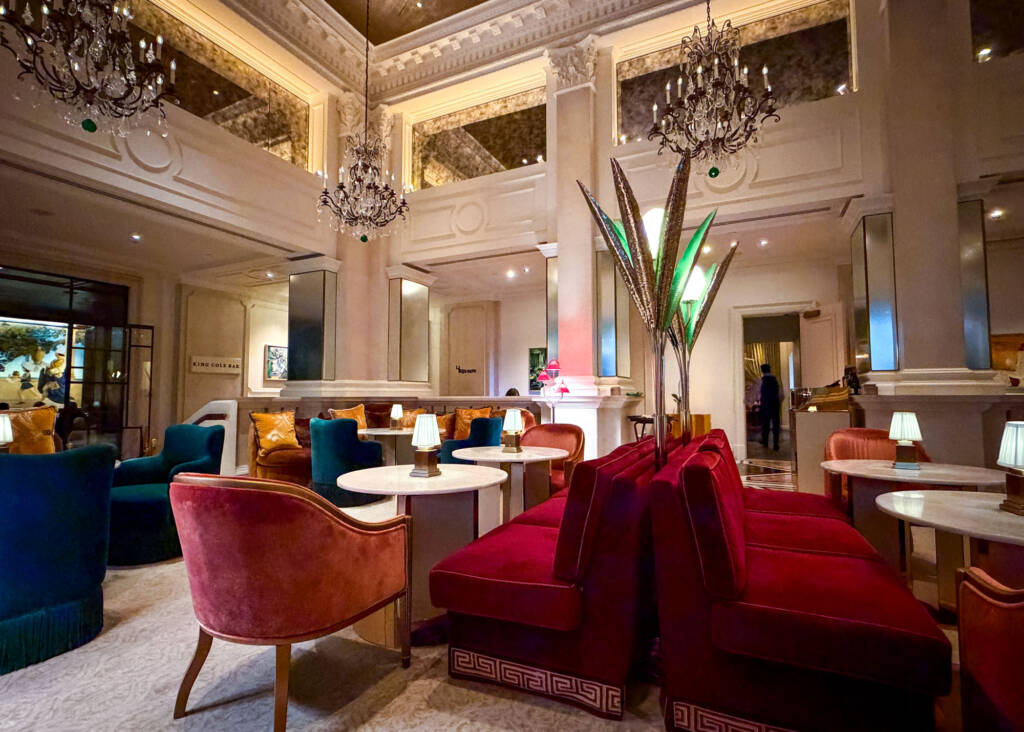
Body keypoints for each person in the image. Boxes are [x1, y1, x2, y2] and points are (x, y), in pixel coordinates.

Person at [758, 363, 782, 452]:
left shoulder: (761, 381)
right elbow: (781, 394)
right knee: (776, 426)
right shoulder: (775, 380)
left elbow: (758, 394)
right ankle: (776, 444)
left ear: (762, 371)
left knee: (765, 425)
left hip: (765, 405)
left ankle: (765, 442)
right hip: (775, 405)